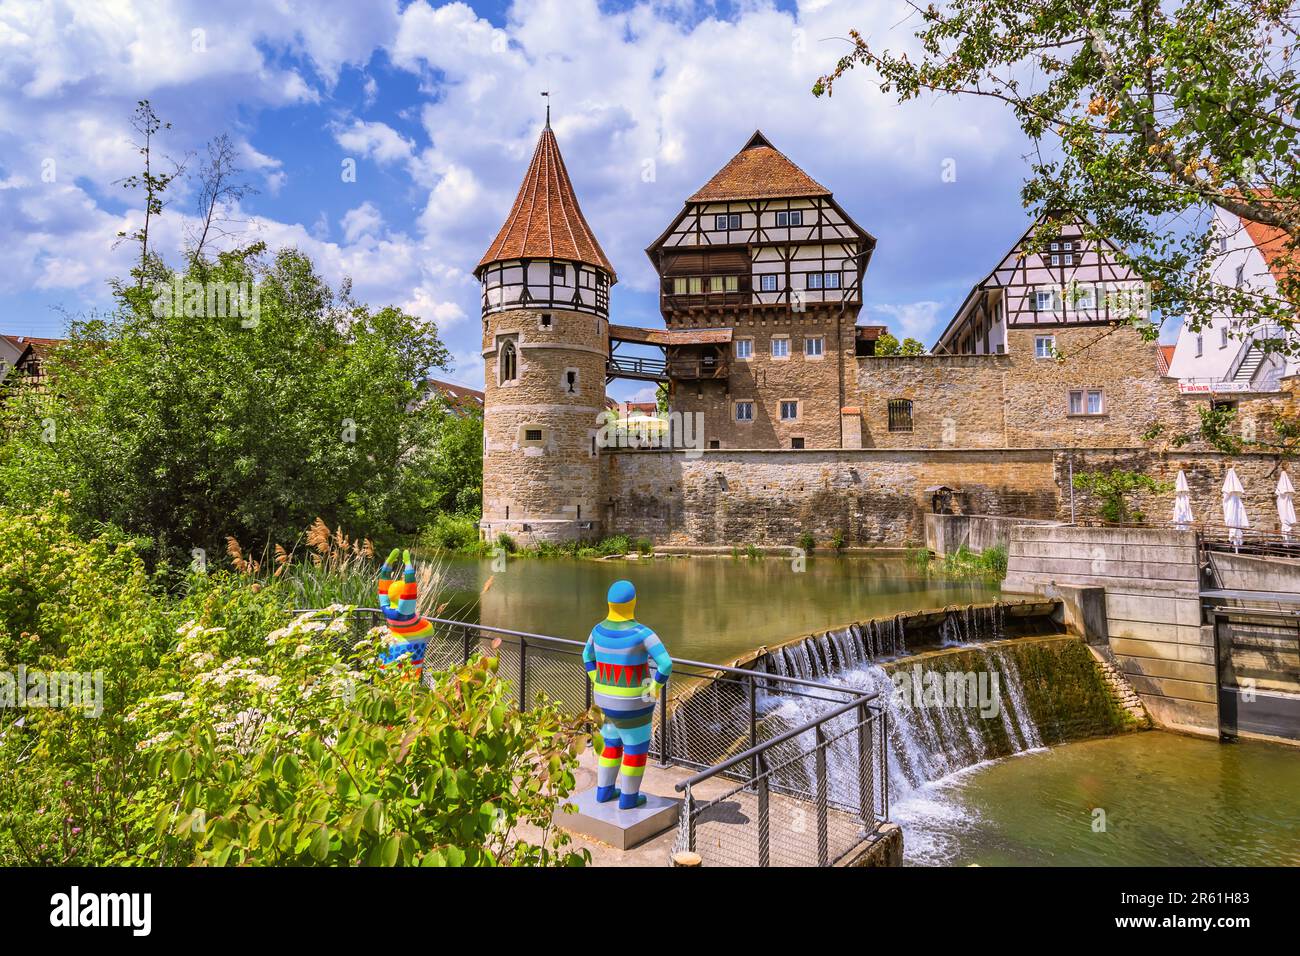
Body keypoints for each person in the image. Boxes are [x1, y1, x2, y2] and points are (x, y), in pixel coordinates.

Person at [582, 580, 673, 809]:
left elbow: (586, 656)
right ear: (633, 602)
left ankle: (604, 792)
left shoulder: (597, 629)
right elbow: (665, 664)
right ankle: (629, 798)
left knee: (611, 743)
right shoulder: (642, 633)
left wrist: (596, 678)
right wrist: (654, 689)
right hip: (635, 701)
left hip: (603, 698)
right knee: (635, 747)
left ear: (609, 603)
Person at [377, 548, 434, 676]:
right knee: (406, 688)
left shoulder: (386, 609)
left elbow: (383, 586)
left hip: (388, 654)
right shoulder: (403, 613)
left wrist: (388, 563)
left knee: (387, 685)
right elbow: (410, 586)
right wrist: (407, 563)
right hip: (407, 656)